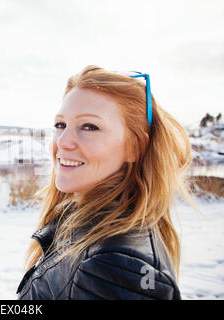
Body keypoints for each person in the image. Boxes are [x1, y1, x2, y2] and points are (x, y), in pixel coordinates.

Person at [16, 65, 200, 300]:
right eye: (60, 125)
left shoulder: (116, 265)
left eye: (89, 126)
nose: (63, 142)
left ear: (135, 147)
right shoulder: (80, 223)